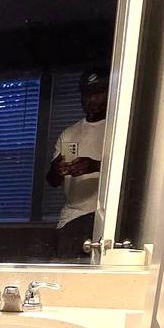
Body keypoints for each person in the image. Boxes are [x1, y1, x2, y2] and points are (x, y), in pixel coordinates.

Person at [47, 65, 109, 259]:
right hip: (73, 217)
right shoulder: (71, 134)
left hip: (104, 217)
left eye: (98, 93)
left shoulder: (116, 129)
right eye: (87, 94)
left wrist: (95, 166)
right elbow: (54, 180)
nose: (92, 100)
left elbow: (129, 173)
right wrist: (58, 169)